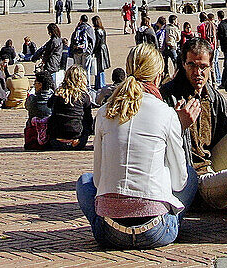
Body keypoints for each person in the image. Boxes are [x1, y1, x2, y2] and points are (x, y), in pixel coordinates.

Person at [76, 43, 199, 250]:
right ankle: (174, 221)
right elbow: (180, 182)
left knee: (85, 181)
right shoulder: (166, 113)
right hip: (154, 231)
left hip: (110, 232)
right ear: (158, 76)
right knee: (189, 173)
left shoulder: (105, 112)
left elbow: (97, 179)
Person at [160, 37, 227, 206]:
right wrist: (177, 124)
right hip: (189, 181)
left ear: (210, 66)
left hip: (212, 168)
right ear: (183, 64)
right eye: (191, 65)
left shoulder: (214, 98)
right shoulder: (168, 96)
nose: (197, 72)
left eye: (203, 67)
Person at [46, 64, 93, 149]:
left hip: (56, 139)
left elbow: (49, 104)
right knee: (86, 120)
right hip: (77, 139)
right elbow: (88, 119)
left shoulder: (58, 94)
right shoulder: (84, 96)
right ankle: (75, 140)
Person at [92, 15, 111, 91]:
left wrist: (93, 51)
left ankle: (99, 84)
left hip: (99, 50)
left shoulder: (97, 31)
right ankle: (102, 82)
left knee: (98, 67)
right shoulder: (103, 30)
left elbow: (97, 43)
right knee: (101, 68)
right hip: (104, 48)